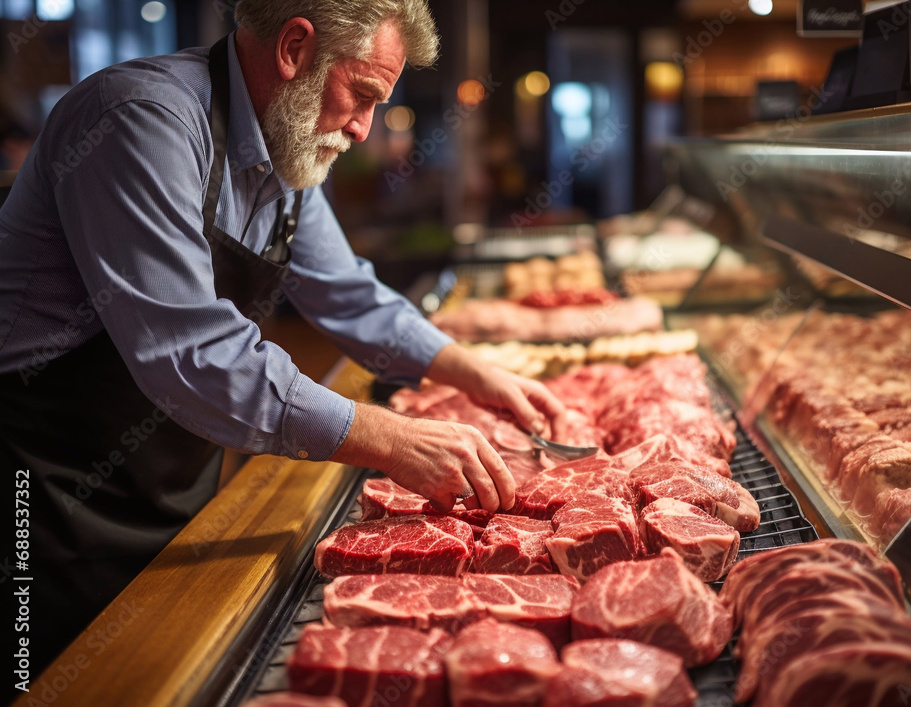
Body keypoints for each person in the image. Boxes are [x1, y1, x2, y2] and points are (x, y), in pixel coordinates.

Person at [0, 0, 564, 678]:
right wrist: (389, 438)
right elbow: (193, 354)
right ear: (294, 49)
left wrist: (474, 371)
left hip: (169, 478)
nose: (363, 129)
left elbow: (346, 292)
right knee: (52, 678)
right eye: (361, 95)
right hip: (48, 495)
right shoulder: (140, 120)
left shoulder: (284, 141)